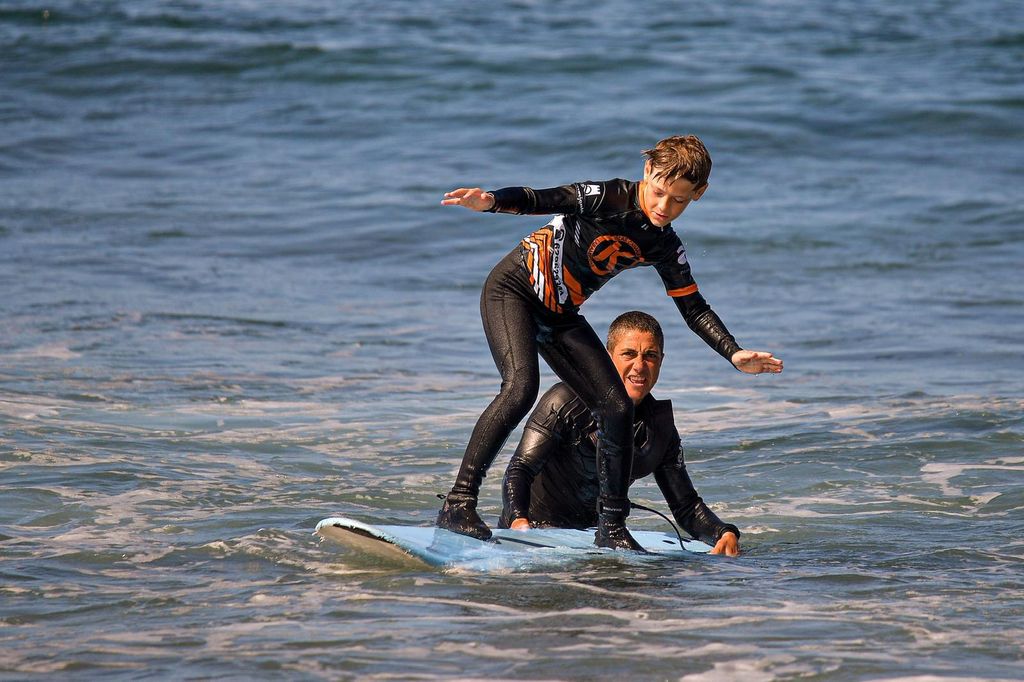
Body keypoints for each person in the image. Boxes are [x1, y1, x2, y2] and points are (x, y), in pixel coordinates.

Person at [437, 135, 782, 550]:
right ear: (647, 174)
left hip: (559, 313)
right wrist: (491, 201)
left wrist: (734, 351)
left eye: (678, 200)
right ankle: (459, 502)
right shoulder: (608, 196)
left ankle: (612, 529)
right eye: (658, 192)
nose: (663, 207)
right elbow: (542, 198)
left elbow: (694, 307)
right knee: (521, 387)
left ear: (698, 195)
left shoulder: (664, 245)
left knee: (617, 407)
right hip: (513, 290)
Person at [500, 311, 740, 556]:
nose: (639, 366)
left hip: (599, 539)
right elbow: (520, 469)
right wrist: (519, 522)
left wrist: (723, 532)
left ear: (661, 361)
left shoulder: (659, 428)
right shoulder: (565, 400)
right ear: (606, 358)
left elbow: (686, 506)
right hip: (536, 536)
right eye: (629, 354)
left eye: (650, 356)